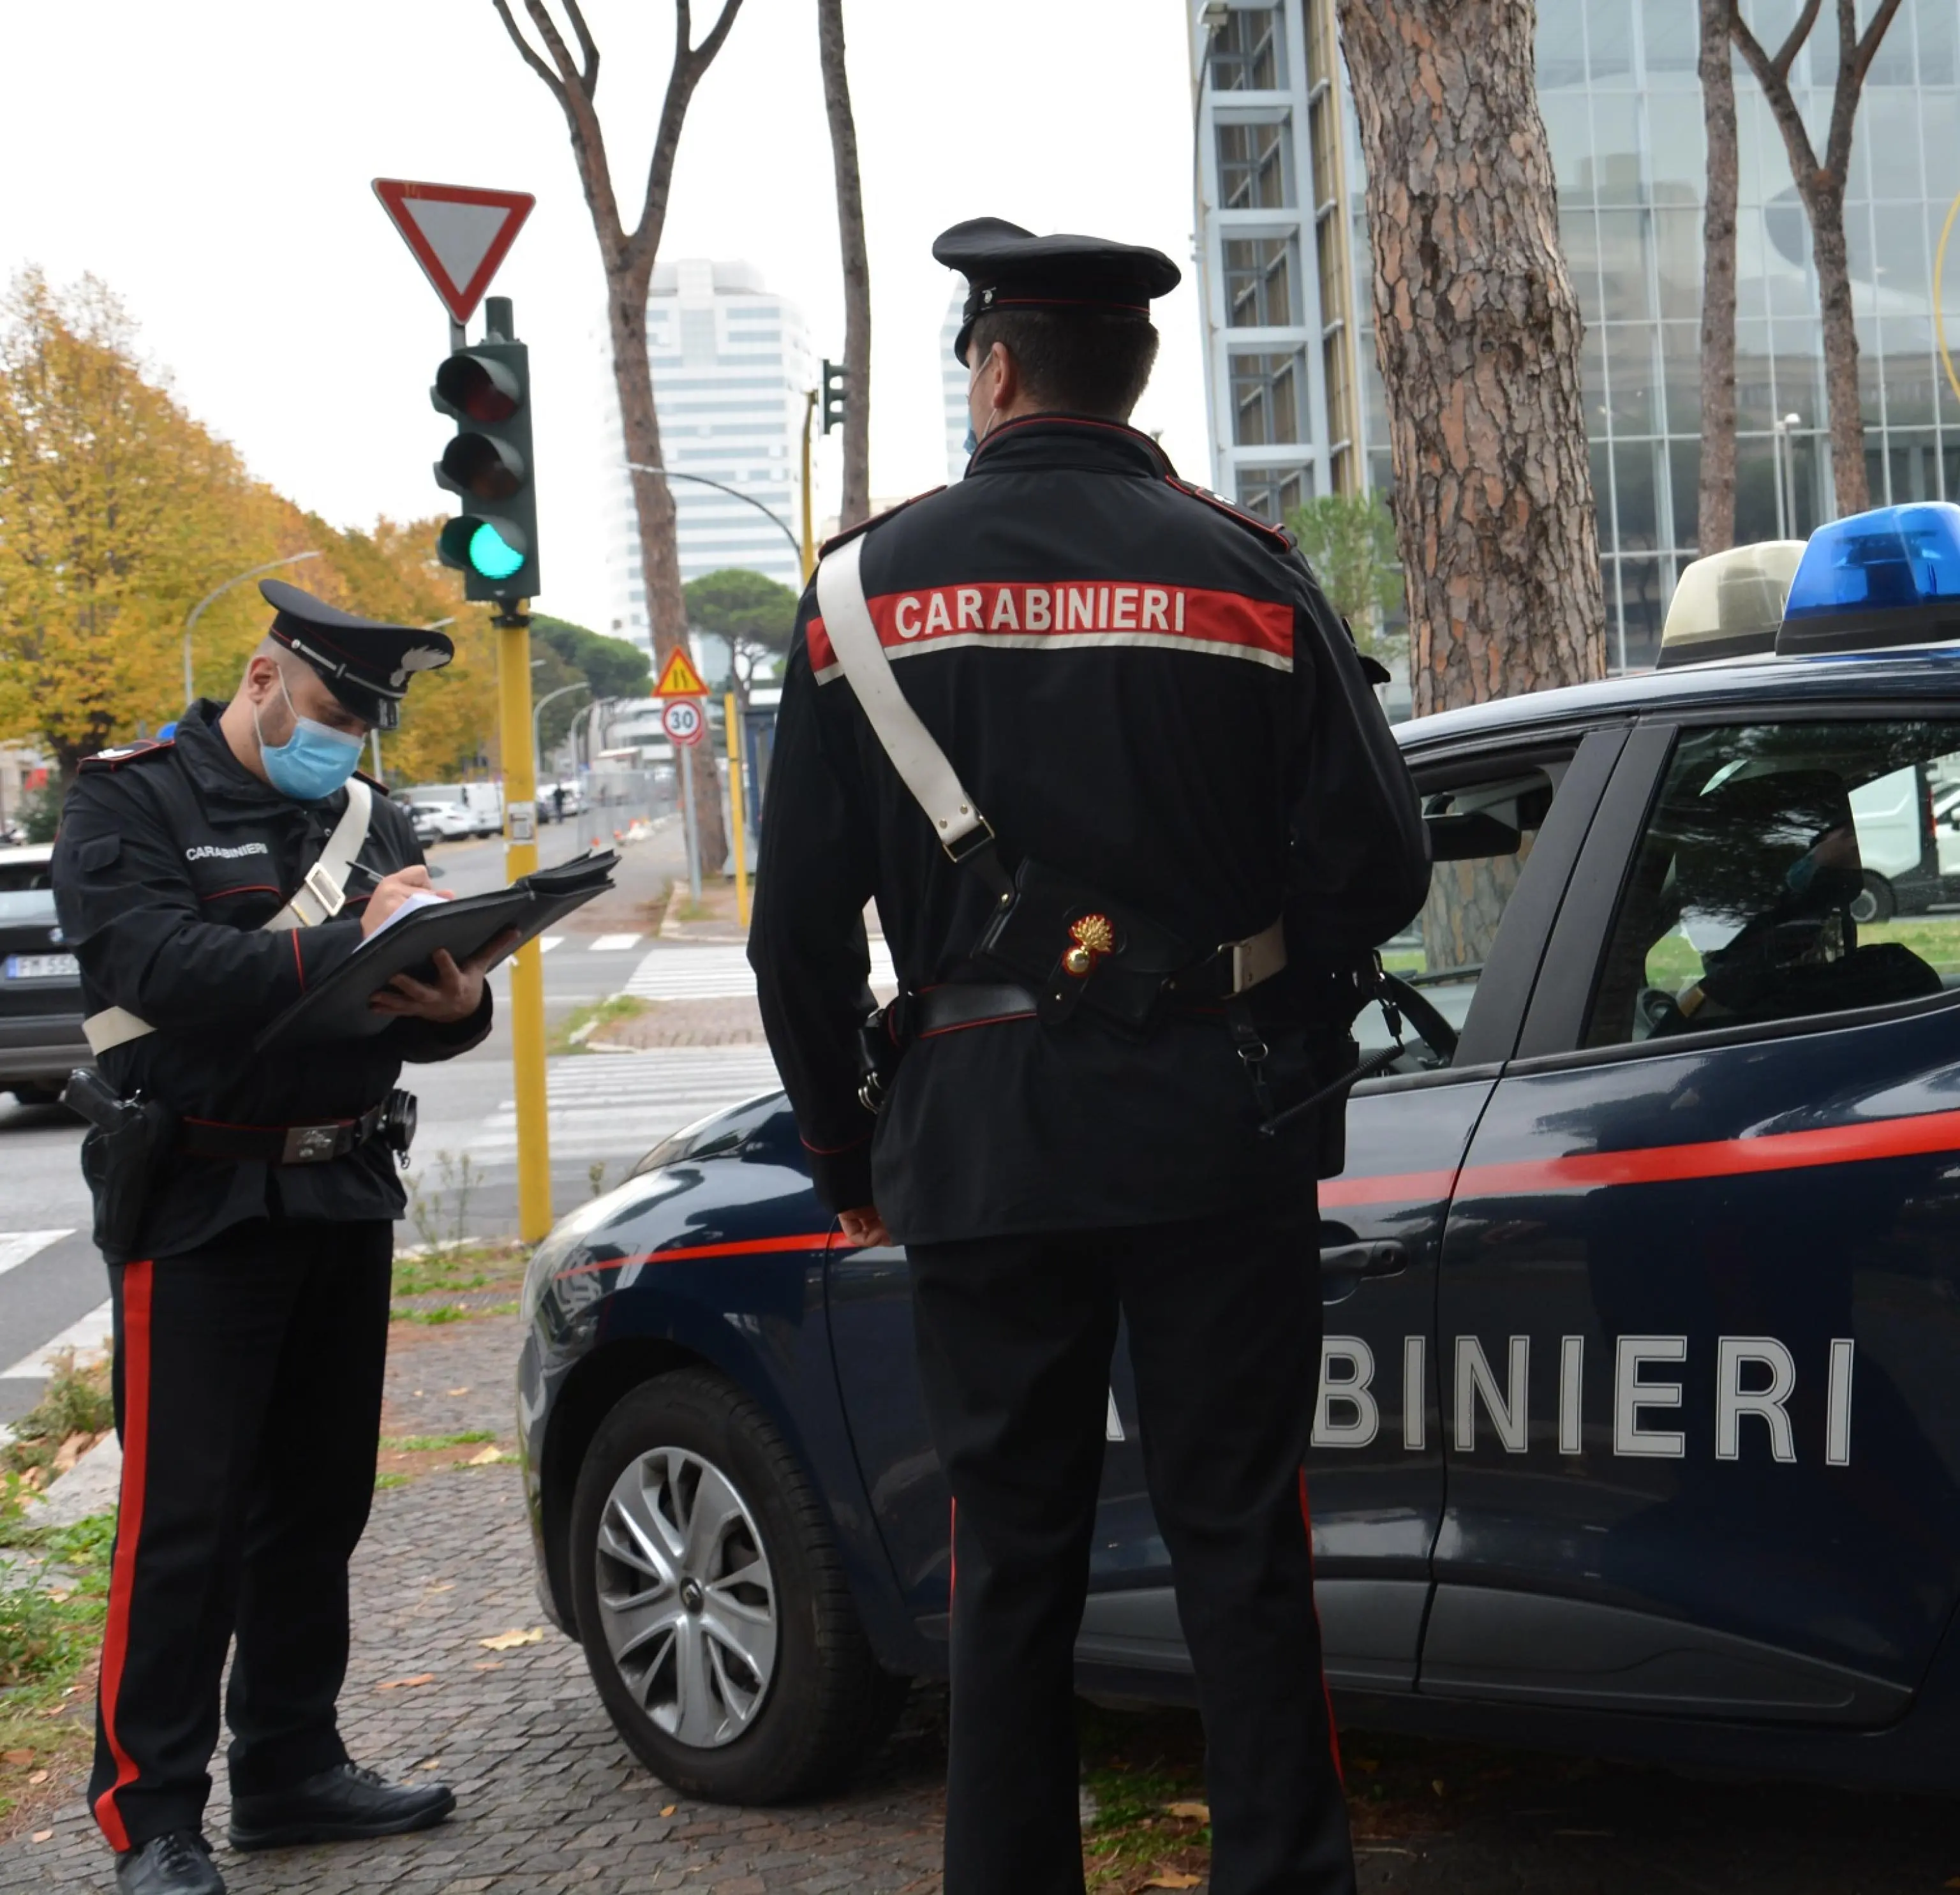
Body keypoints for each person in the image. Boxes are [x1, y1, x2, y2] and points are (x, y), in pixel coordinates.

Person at [748, 218, 1430, 1895]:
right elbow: (1382, 865)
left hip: (978, 1150)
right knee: (1240, 1549)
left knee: (1011, 1564)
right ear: (1134, 377)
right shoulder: (1249, 575)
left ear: (992, 369)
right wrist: (1286, 1008)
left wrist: (848, 1151)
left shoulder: (855, 597)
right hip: (1215, 1135)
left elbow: (795, 938)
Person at [52, 583, 513, 1895]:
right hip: (199, 1198)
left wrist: (456, 996)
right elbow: (161, 970)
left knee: (319, 1503)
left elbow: (421, 1008)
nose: (345, 744)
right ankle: (150, 1814)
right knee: (183, 1522)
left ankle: (291, 1767)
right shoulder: (129, 800)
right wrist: (342, 948)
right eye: (326, 713)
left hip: (339, 1185)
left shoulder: (368, 818)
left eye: (363, 727)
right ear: (260, 677)